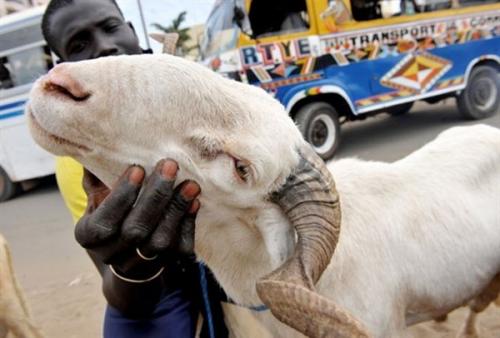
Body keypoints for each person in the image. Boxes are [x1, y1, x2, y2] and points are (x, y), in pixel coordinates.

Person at [41, 0, 228, 337]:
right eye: (79, 44)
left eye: (110, 27)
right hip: (167, 291)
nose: (104, 46)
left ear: (130, 29)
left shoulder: (194, 90)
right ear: (63, 66)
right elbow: (119, 289)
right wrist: (135, 271)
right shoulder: (76, 159)